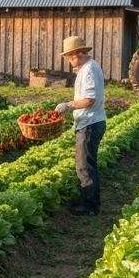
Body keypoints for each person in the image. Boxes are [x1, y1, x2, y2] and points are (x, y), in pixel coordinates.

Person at [54, 35, 106, 216]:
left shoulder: (89, 70)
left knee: (84, 166)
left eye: (69, 57)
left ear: (77, 54)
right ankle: (89, 201)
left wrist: (68, 105)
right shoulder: (88, 67)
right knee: (87, 163)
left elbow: (89, 100)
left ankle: (90, 206)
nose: (68, 61)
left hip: (90, 123)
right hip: (89, 121)